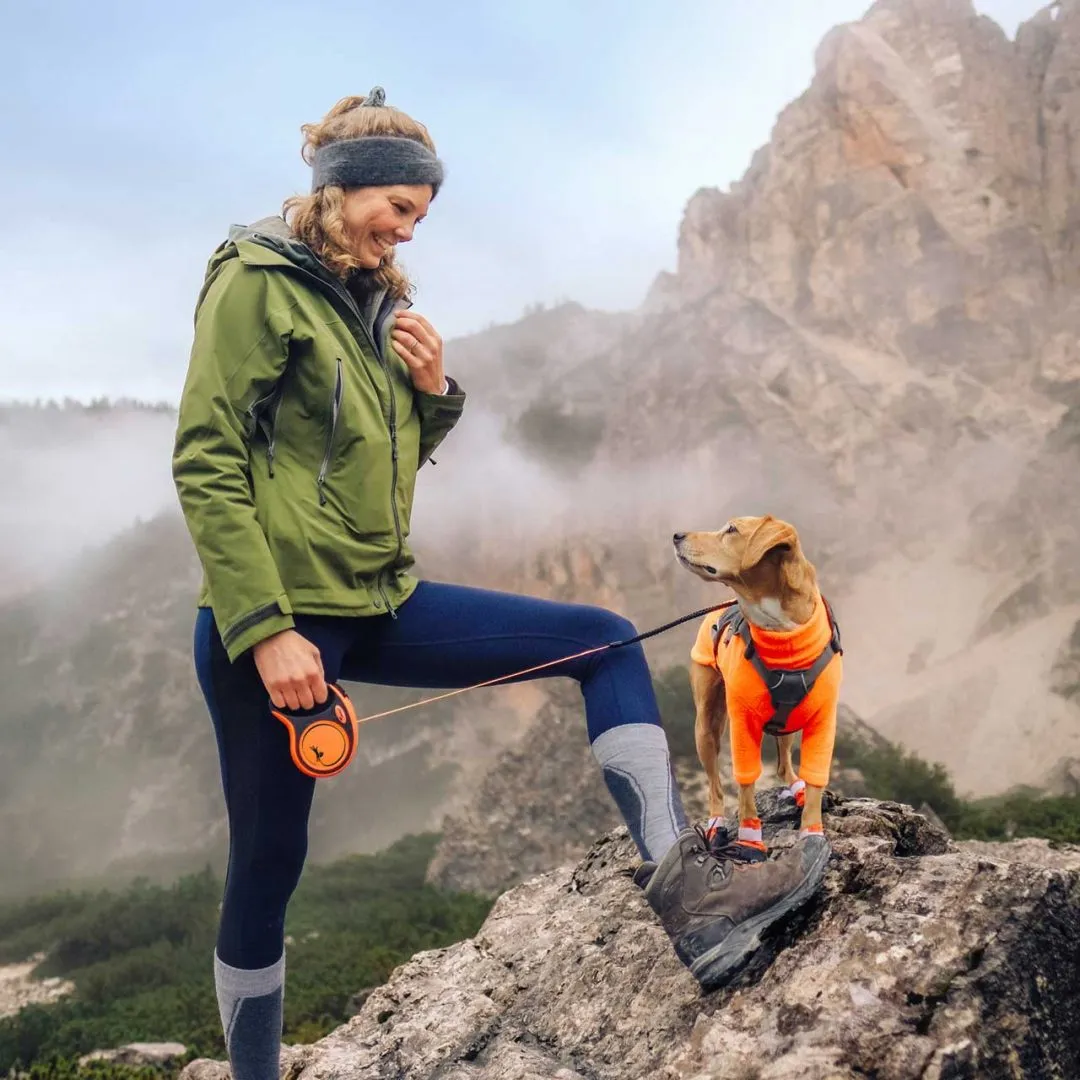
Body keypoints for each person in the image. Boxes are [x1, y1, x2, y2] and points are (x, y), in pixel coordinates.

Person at [171, 88, 827, 1080]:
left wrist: (431, 395)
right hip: (274, 628)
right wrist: (265, 630)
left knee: (603, 638)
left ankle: (693, 901)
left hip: (376, 602)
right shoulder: (254, 283)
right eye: (396, 205)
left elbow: (360, 460)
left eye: (420, 214)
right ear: (339, 191)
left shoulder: (374, 304)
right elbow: (208, 461)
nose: (407, 226)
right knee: (268, 866)